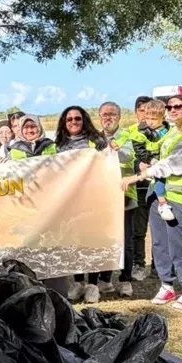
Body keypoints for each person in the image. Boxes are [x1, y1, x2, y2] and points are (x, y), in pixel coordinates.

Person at [121, 95, 182, 310]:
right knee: (160, 244)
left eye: (178, 106)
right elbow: (158, 154)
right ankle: (167, 285)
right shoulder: (171, 131)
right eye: (169, 106)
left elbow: (172, 165)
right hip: (156, 192)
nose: (172, 110)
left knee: (178, 244)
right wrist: (147, 163)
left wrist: (137, 176)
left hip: (177, 198)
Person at [54, 106, 108, 304]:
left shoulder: (96, 142)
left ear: (84, 120)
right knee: (74, 241)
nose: (74, 122)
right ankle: (77, 281)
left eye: (77, 118)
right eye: (69, 119)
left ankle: (92, 285)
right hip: (70, 200)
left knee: (91, 241)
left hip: (92, 197)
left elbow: (108, 163)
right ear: (64, 122)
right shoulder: (60, 144)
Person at [124, 97, 168, 281]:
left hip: (161, 184)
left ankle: (159, 266)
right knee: (139, 231)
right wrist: (138, 166)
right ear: (137, 113)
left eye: (149, 112)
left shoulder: (166, 130)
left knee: (160, 230)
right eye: (142, 111)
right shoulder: (131, 132)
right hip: (139, 187)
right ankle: (139, 264)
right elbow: (128, 156)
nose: (146, 116)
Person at [100, 101, 137, 298]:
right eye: (105, 114)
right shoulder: (94, 139)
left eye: (112, 114)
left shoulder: (127, 136)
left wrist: (117, 150)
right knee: (106, 239)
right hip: (103, 198)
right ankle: (105, 280)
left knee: (126, 239)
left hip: (125, 195)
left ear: (119, 116)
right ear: (99, 117)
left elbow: (128, 157)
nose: (108, 117)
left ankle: (125, 280)